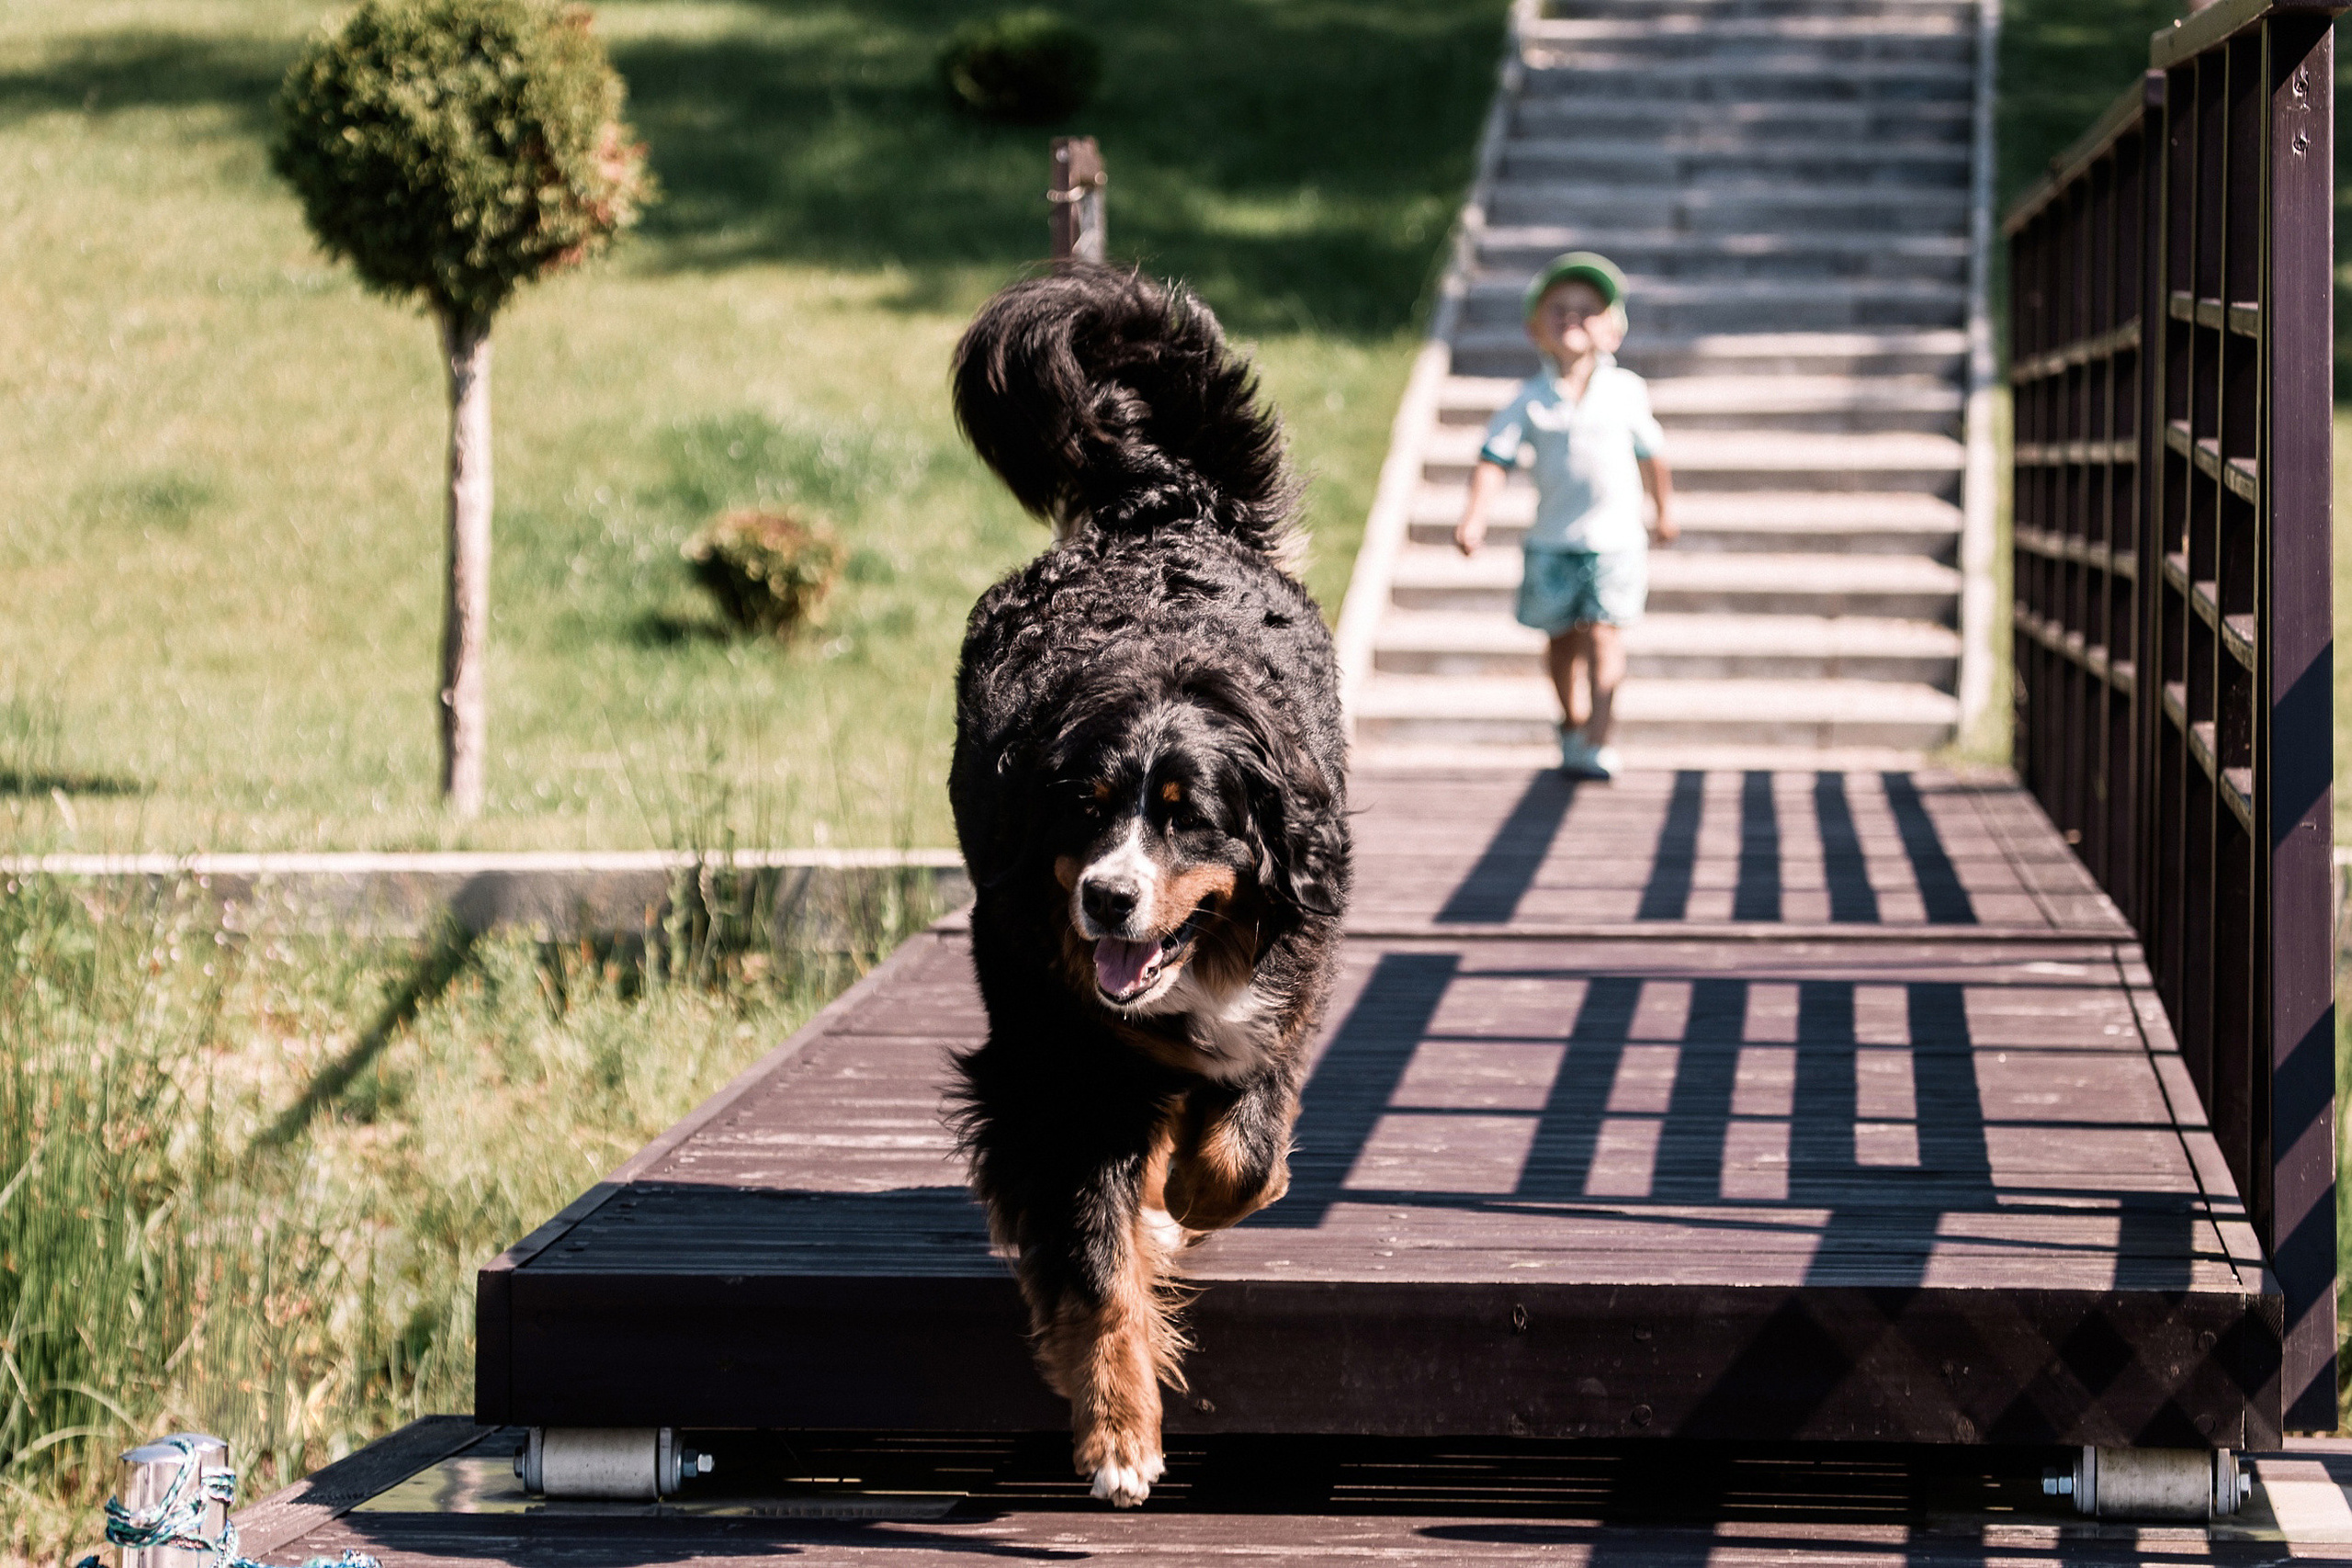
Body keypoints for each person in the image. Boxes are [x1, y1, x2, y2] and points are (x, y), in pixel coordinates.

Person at [1454, 252, 1675, 780]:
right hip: (1552, 541)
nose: (1573, 317)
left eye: (1588, 309)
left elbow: (1653, 456)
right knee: (1559, 639)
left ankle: (1600, 735)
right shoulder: (1529, 400)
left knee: (1604, 632)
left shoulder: (1625, 391)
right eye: (1559, 309)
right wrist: (1474, 517)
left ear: (1614, 330)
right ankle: (1571, 722)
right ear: (1535, 330)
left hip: (1616, 540)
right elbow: (1494, 460)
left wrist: (1663, 510)